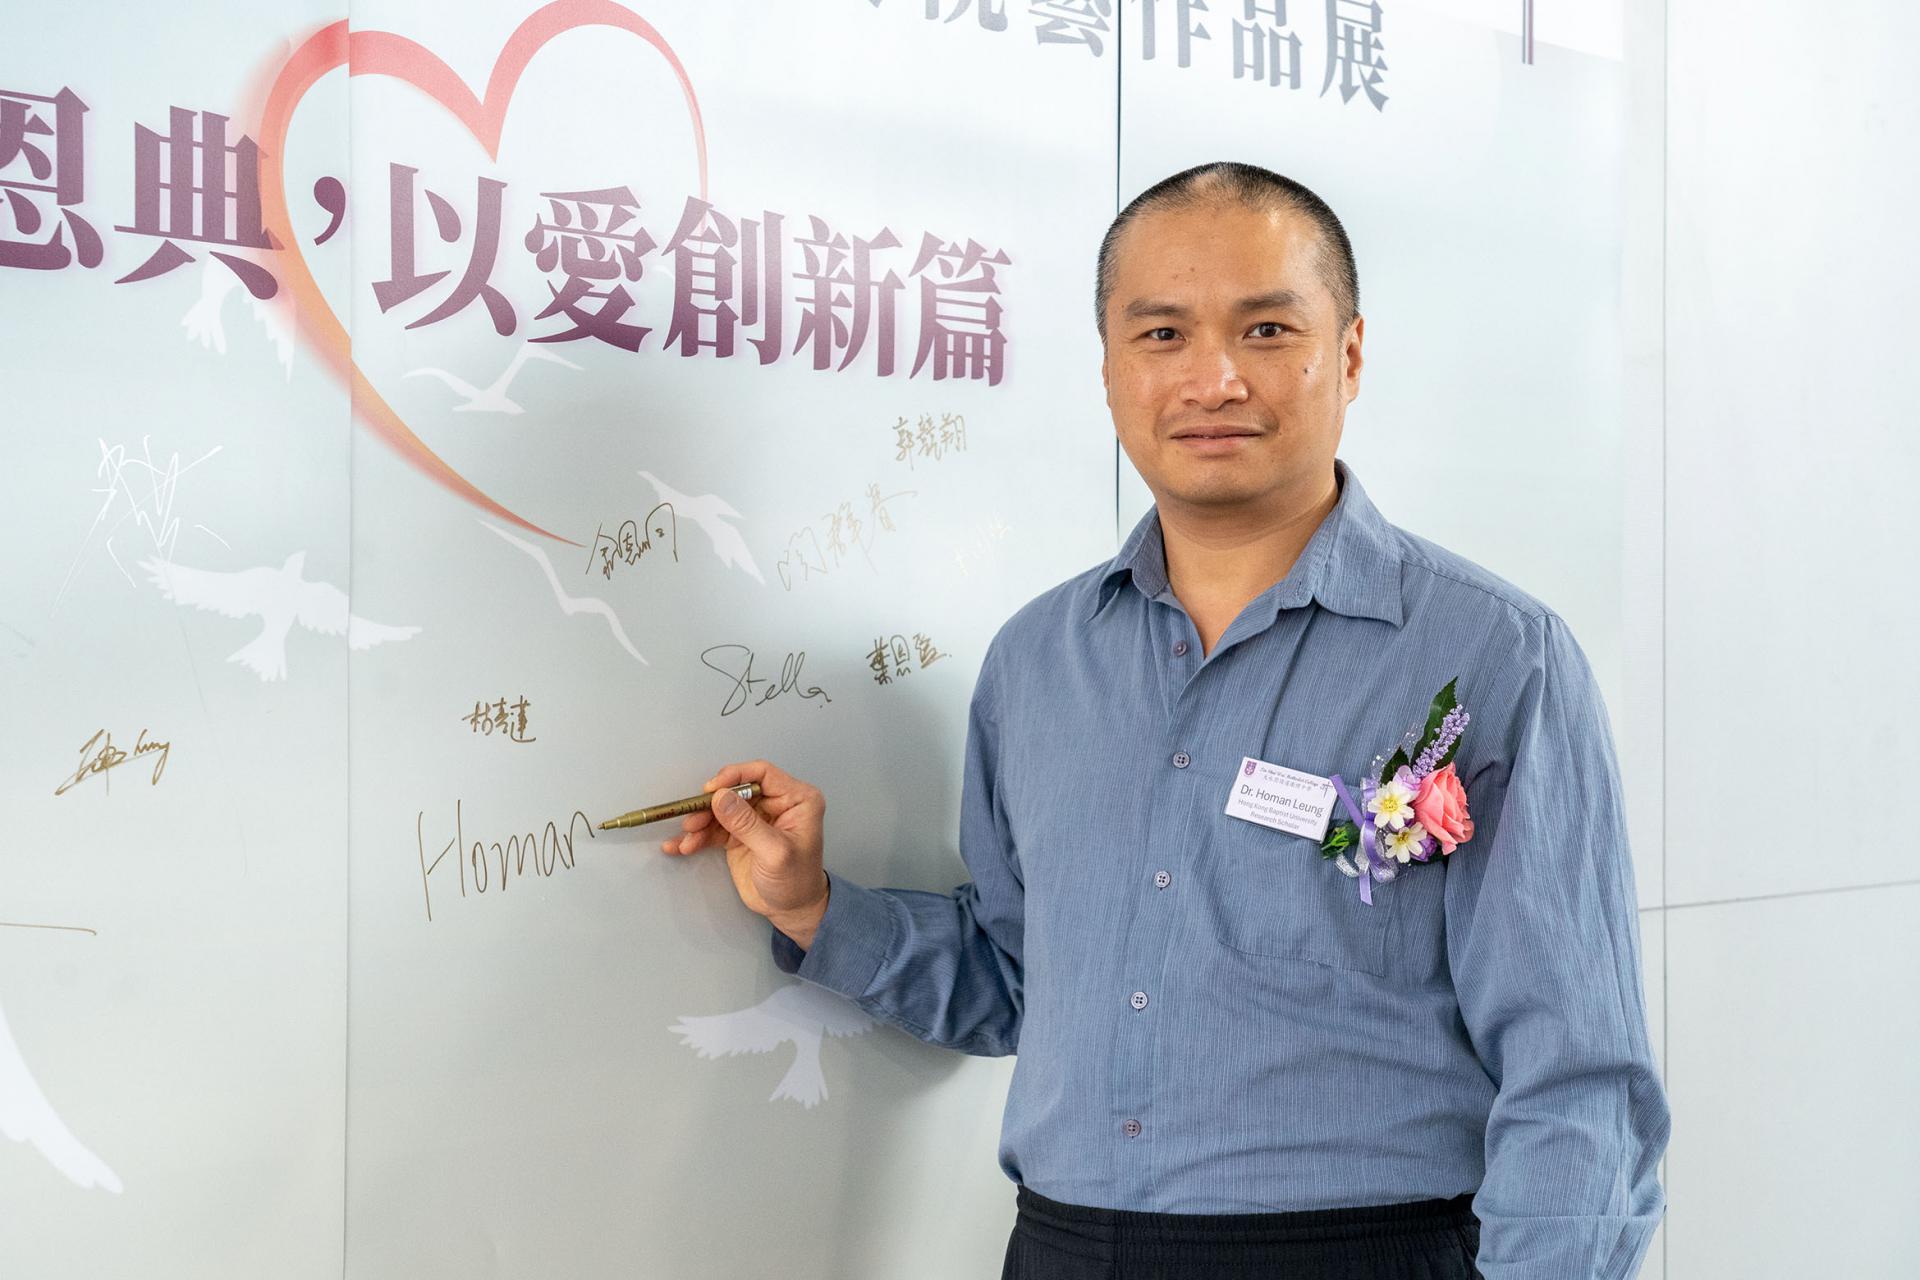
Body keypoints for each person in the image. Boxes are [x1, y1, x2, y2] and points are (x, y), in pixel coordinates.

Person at [659, 161, 1670, 1280]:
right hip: (1064, 1250)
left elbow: (1579, 1079)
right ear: (1109, 369)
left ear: (1349, 354)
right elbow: (1022, 980)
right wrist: (811, 905)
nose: (1214, 378)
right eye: (1163, 335)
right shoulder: (1036, 663)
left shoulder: (1493, 655)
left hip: (1365, 1252)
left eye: (1267, 329)